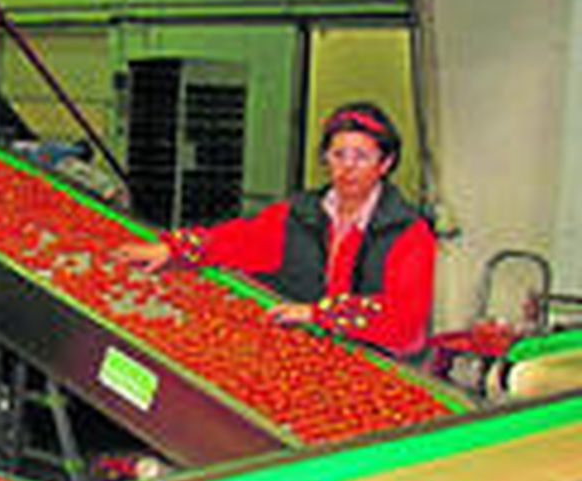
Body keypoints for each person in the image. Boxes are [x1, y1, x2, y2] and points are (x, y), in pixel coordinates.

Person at [112, 101, 434, 358]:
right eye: (338, 155)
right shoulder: (300, 214)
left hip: (378, 366)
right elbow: (241, 240)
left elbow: (405, 319)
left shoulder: (407, 231)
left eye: (361, 157)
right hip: (304, 356)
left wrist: (319, 314)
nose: (347, 167)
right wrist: (175, 249)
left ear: (386, 163)